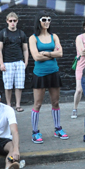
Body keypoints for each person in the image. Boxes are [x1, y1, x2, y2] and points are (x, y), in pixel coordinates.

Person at [28, 13, 67, 143]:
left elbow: (60, 53)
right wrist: (53, 54)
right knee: (37, 104)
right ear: (39, 21)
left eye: (49, 19)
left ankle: (57, 128)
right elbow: (36, 57)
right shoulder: (33, 38)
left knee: (55, 102)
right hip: (39, 74)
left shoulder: (54, 36)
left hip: (53, 72)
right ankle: (35, 132)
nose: (47, 22)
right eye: (44, 19)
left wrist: (46, 53)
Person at [0, 12, 28, 112]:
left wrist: (25, 63)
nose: (12, 23)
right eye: (10, 21)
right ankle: (9, 105)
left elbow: (25, 49)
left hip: (19, 62)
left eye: (14, 21)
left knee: (19, 85)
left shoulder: (21, 33)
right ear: (7, 21)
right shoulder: (2, 33)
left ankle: (18, 105)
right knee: (8, 85)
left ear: (17, 21)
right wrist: (1, 63)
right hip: (7, 62)